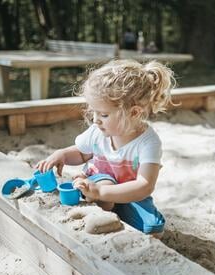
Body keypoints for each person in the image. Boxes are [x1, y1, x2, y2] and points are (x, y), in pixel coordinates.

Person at [36, 59, 175, 237]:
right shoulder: (97, 132)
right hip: (97, 184)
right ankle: (98, 211)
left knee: (153, 229)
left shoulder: (148, 142)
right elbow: (81, 153)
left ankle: (110, 208)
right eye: (93, 112)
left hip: (127, 194)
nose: (95, 120)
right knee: (105, 189)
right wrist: (62, 155)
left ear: (134, 112)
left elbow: (144, 185)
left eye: (103, 114)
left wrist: (104, 192)